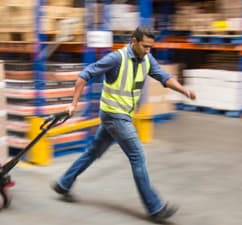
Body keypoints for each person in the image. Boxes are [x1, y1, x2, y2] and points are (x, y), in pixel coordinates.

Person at [52, 25, 195, 222]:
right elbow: (84, 76)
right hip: (114, 116)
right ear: (134, 41)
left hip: (122, 116)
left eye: (150, 47)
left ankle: (63, 183)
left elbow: (164, 77)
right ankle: (154, 208)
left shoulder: (146, 58)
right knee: (137, 156)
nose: (148, 50)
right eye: (145, 46)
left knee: (93, 152)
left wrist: (184, 91)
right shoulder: (116, 58)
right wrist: (73, 104)